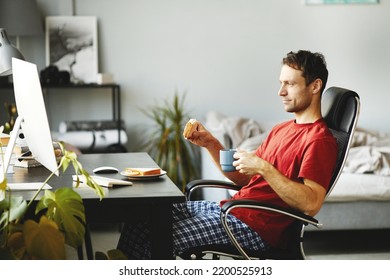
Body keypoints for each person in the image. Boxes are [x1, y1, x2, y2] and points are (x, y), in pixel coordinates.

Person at [117, 50, 338, 259]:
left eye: (290, 84)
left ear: (315, 86)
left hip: (253, 228)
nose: (280, 92)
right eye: (281, 83)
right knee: (143, 217)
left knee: (159, 238)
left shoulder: (319, 140)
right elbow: (244, 179)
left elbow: (311, 204)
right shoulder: (282, 129)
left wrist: (263, 167)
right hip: (231, 210)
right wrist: (211, 144)